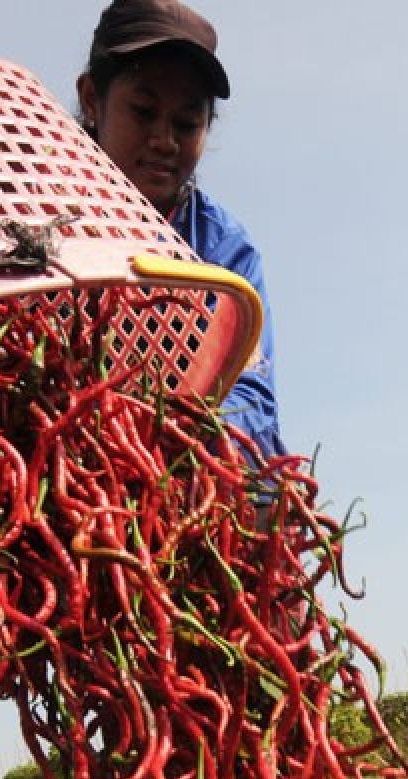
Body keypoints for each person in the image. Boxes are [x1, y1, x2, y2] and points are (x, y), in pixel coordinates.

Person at [76, 0, 286, 460]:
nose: (165, 141)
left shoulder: (221, 249)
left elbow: (251, 396)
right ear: (92, 99)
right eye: (143, 112)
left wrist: (185, 434)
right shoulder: (34, 203)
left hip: (171, 470)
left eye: (187, 123)